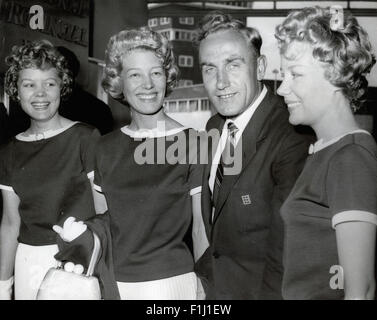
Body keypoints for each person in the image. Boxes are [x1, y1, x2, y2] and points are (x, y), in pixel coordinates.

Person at [54, 27, 208, 300]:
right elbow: (104, 224)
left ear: (167, 77)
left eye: (156, 73)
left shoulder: (194, 143)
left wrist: (205, 288)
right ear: (118, 82)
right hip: (115, 285)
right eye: (135, 75)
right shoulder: (103, 147)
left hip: (172, 285)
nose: (147, 84)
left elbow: (200, 230)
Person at [194, 12, 311, 300]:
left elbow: (289, 251)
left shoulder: (292, 133)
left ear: (259, 67)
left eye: (233, 65)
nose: (220, 82)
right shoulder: (214, 126)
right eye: (210, 69)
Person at [275, 6, 377, 300]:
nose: (283, 88)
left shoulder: (351, 156)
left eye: (295, 74)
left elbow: (361, 290)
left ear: (334, 74)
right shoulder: (324, 151)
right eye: (284, 75)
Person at [0, 40, 99, 300]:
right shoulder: (9, 151)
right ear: (16, 91)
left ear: (62, 87)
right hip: (27, 263)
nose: (40, 94)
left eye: (50, 84)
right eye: (29, 84)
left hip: (77, 261)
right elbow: (11, 224)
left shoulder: (85, 138)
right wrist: (3, 285)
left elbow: (105, 213)